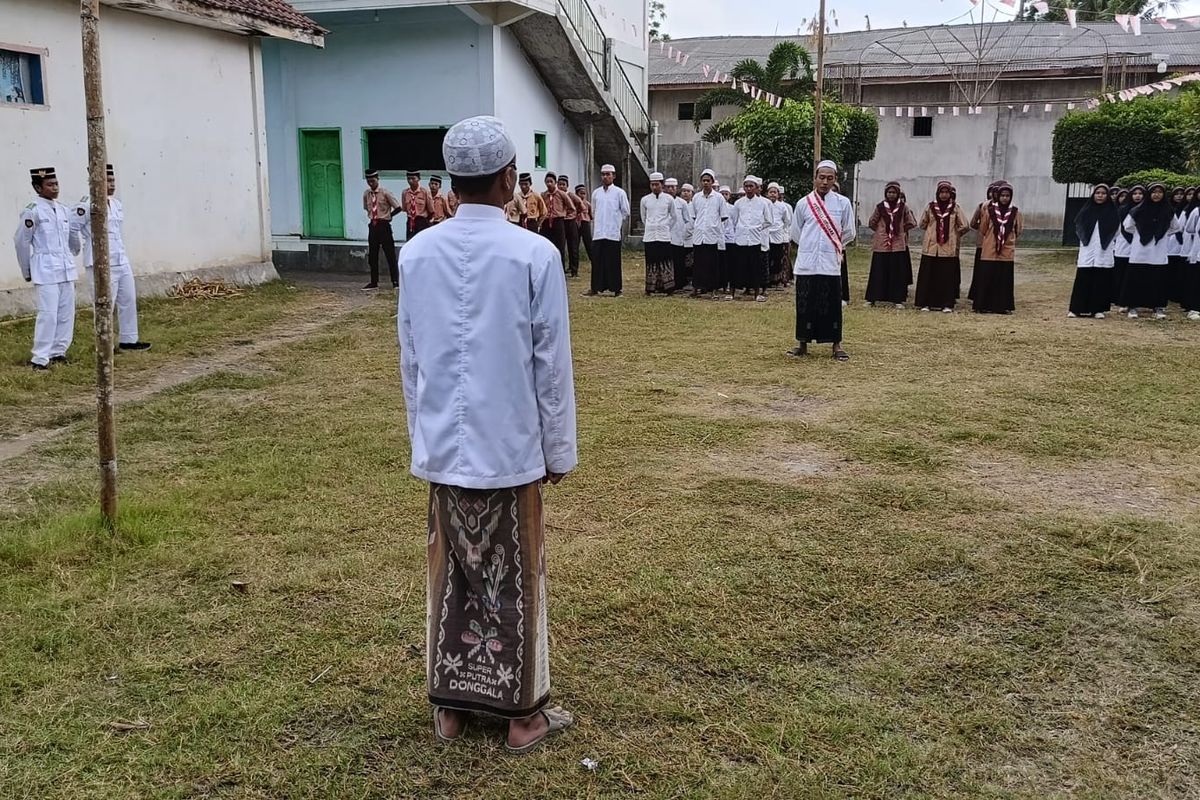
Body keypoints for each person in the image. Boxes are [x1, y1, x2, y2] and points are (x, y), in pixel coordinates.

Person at [399, 115, 577, 755]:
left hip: (445, 447)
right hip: (511, 450)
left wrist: (425, 437)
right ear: (508, 180)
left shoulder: (415, 253)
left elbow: (412, 359)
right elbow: (549, 364)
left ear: (453, 181)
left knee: (452, 574)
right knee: (515, 578)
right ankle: (521, 718)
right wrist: (558, 449)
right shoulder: (536, 254)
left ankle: (449, 710)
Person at [73, 164, 151, 351]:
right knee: (105, 304)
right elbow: (71, 229)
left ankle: (129, 340)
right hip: (100, 262)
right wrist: (76, 249)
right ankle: (104, 343)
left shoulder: (115, 204)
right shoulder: (86, 204)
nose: (111, 184)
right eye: (107, 180)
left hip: (120, 259)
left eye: (113, 180)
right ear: (94, 181)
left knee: (128, 299)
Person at [14, 167, 81, 370]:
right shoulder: (32, 210)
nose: (55, 188)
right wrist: (26, 270)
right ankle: (40, 358)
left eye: (56, 184)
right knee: (48, 314)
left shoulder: (62, 209)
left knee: (66, 313)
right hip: (45, 267)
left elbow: (71, 235)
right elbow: (21, 242)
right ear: (38, 187)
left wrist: (74, 251)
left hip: (65, 267)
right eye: (49, 185)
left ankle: (58, 351)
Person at [788, 160, 855, 361]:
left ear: (835, 179)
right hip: (807, 263)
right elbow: (796, 232)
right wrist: (810, 246)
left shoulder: (843, 203)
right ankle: (802, 343)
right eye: (821, 177)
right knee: (805, 304)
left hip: (830, 264)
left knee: (832, 304)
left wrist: (832, 245)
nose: (825, 182)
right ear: (815, 178)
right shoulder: (803, 203)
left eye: (829, 178)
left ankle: (836, 345)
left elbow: (849, 231)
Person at [1121, 182, 1182, 319]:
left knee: (1157, 280)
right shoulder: (1138, 210)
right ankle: (1133, 306)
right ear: (1149, 194)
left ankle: (1158, 307)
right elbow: (1127, 226)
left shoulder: (1168, 210)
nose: (1156, 194)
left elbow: (1176, 227)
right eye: (1154, 192)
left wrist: (1162, 233)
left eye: (1160, 192)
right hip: (1140, 251)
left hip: (1158, 251)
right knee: (1136, 279)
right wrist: (1140, 233)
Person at [915, 180, 969, 313]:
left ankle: (946, 304)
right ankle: (926, 303)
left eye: (946, 192)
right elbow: (922, 223)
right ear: (937, 193)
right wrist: (932, 232)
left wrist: (954, 236)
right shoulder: (930, 207)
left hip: (947, 249)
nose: (944, 195)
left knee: (946, 277)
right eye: (942, 192)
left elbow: (965, 225)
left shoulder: (955, 208)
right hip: (931, 248)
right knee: (929, 276)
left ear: (950, 194)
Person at [1068, 184, 1120, 319]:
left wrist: (1105, 240)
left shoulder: (1112, 212)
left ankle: (1097, 309)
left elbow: (1116, 231)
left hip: (1104, 250)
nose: (1100, 196)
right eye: (1098, 193)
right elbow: (1078, 227)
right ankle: (1076, 309)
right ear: (1093, 195)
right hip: (1088, 249)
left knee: (1101, 280)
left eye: (1103, 193)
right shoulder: (1086, 211)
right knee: (1083, 278)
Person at [970, 181, 1021, 314]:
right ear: (998, 196)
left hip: (1006, 250)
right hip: (990, 249)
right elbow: (983, 228)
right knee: (987, 277)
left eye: (1007, 196)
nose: (1005, 198)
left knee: (1003, 279)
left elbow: (1018, 229)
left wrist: (1008, 239)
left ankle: (1002, 306)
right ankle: (983, 305)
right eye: (1002, 195)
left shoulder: (1015, 212)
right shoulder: (990, 210)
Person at [865, 181, 916, 308]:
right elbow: (872, 222)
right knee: (878, 272)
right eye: (889, 192)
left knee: (896, 272)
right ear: (885, 193)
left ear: (898, 194)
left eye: (894, 192)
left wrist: (900, 230)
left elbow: (911, 222)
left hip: (897, 244)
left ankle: (897, 299)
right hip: (882, 244)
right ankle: (873, 298)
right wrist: (881, 231)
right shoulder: (880, 207)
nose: (891, 195)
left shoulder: (903, 207)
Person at [587, 164, 629, 297]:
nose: (605, 177)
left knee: (613, 262)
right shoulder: (596, 193)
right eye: (603, 174)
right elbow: (593, 211)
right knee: (597, 261)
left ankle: (617, 289)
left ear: (614, 176)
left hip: (612, 233)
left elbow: (625, 211)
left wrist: (616, 223)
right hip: (599, 232)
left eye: (608, 174)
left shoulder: (619, 193)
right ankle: (595, 288)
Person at [733, 176, 772, 302]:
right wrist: (742, 229)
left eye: (751, 186)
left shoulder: (763, 203)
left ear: (756, 188)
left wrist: (757, 228)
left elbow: (768, 221)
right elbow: (734, 220)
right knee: (738, 266)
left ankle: (756, 293)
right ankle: (733, 293)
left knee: (755, 267)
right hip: (741, 240)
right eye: (746, 186)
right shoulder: (738, 203)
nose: (748, 189)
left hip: (755, 240)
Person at [690, 169, 728, 299]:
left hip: (712, 236)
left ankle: (713, 290)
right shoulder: (696, 197)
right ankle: (697, 288)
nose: (706, 183)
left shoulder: (719, 198)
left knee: (712, 264)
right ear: (701, 182)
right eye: (704, 180)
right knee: (698, 264)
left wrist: (713, 225)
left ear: (712, 182)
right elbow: (694, 216)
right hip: (699, 235)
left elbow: (723, 216)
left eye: (708, 180)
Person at [363, 169, 402, 290]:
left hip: (384, 225)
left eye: (373, 181)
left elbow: (398, 207)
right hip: (373, 225)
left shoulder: (385, 193)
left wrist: (388, 216)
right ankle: (374, 282)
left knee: (390, 253)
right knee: (373, 255)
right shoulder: (366, 194)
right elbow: (366, 208)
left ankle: (395, 281)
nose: (371, 184)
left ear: (378, 179)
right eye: (369, 181)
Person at [641, 172, 676, 294]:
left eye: (657, 184)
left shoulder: (669, 199)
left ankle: (668, 288)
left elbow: (674, 217)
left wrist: (665, 226)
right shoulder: (645, 200)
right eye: (652, 184)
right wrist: (651, 226)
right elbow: (643, 217)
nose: (654, 187)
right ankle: (651, 288)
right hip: (650, 236)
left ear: (662, 185)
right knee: (651, 262)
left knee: (665, 262)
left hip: (664, 236)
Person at [967, 182, 1001, 303]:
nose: (994, 194)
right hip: (983, 244)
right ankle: (978, 294)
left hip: (996, 244)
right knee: (981, 271)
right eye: (992, 191)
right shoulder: (983, 206)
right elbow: (972, 223)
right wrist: (985, 231)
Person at [541, 173, 571, 271]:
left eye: (551, 182)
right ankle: (548, 268)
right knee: (547, 246)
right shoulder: (543, 195)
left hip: (558, 221)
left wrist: (564, 214)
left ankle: (561, 269)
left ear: (555, 183)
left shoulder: (561, 194)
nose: (549, 184)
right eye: (547, 182)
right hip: (546, 222)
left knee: (560, 247)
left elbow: (571, 207)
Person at [1112, 186, 1136, 308]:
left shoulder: (1139, 210)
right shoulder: (1120, 210)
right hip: (1121, 245)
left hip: (1137, 247)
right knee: (1120, 274)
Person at [766, 182, 793, 288]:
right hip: (767, 235)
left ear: (778, 194)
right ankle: (767, 280)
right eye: (770, 192)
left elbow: (787, 221)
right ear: (767, 193)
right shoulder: (764, 204)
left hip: (778, 236)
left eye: (775, 192)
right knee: (767, 258)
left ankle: (777, 281)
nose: (772, 194)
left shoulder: (782, 206)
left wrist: (780, 229)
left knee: (777, 259)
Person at [557, 175, 583, 277]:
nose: (561, 187)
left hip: (571, 222)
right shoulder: (557, 195)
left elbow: (581, 204)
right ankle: (563, 268)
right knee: (561, 246)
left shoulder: (571, 195)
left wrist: (575, 214)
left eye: (563, 185)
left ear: (567, 186)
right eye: (559, 184)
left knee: (573, 246)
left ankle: (574, 269)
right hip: (561, 222)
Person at [1168, 186, 1189, 305]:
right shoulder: (1169, 208)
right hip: (1170, 243)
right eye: (1177, 194)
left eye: (1182, 194)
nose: (1179, 196)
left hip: (1183, 244)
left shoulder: (1188, 209)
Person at [719, 185, 739, 299]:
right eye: (722, 194)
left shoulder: (732, 208)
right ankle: (721, 285)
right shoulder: (716, 206)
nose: (724, 196)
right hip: (719, 238)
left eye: (726, 194)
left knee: (730, 264)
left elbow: (735, 221)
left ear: (730, 196)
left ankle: (729, 286)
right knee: (721, 263)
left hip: (731, 239)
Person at [403, 170, 434, 241]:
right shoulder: (405, 193)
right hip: (410, 221)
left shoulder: (425, 192)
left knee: (422, 242)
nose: (410, 181)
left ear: (419, 178)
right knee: (410, 242)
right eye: (408, 179)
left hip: (422, 221)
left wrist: (425, 221)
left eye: (413, 178)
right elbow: (405, 209)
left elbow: (431, 210)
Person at [1184, 188, 1200, 320]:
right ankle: (1194, 308)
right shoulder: (1196, 211)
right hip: (1198, 252)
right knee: (1196, 281)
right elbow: (1189, 228)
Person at [678, 183, 697, 290]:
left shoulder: (694, 206)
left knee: (691, 261)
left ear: (692, 194)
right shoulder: (677, 204)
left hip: (691, 238)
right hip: (679, 237)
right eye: (684, 191)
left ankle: (691, 281)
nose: (685, 193)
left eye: (688, 191)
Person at [574, 185, 593, 263]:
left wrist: (588, 219)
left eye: (584, 193)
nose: (582, 195)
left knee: (588, 242)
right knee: (575, 244)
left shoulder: (588, 204)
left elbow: (591, 215)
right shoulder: (573, 203)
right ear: (576, 194)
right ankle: (575, 264)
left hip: (585, 223)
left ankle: (593, 259)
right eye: (580, 193)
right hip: (576, 224)